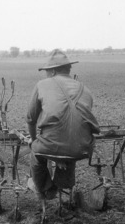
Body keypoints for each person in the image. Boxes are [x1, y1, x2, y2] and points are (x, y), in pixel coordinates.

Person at [25, 49, 100, 200]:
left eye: (47, 71)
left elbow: (31, 119)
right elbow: (77, 123)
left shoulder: (42, 85)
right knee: (70, 144)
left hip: (51, 146)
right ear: (68, 69)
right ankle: (63, 182)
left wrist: (34, 141)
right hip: (83, 148)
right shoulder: (85, 89)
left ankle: (43, 189)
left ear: (52, 71)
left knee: (37, 153)